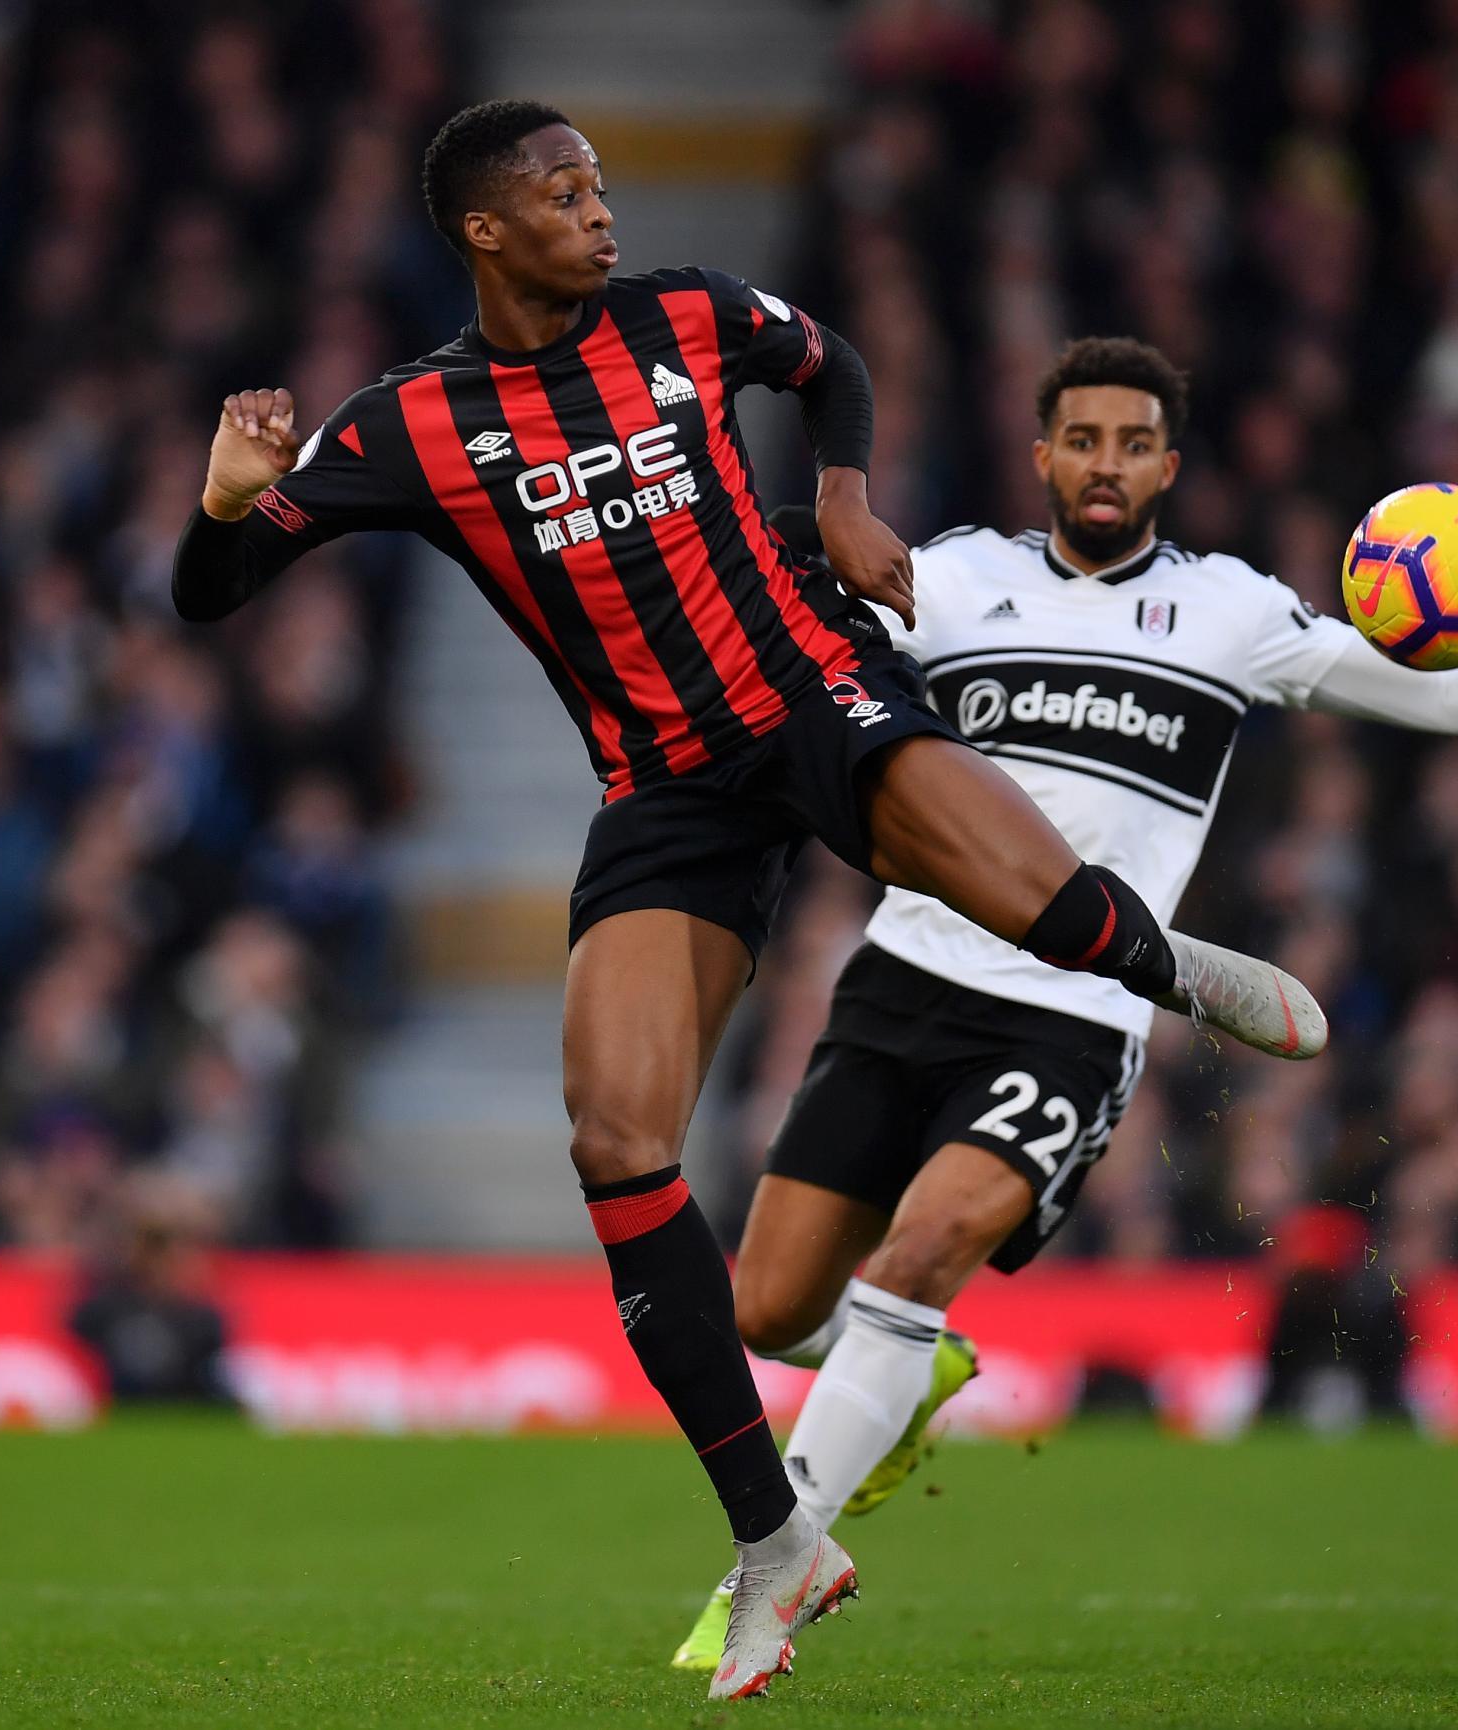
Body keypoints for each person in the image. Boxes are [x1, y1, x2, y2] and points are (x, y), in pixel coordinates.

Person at [170, 103, 1322, 1701]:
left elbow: (825, 356)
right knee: (613, 1144)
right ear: (485, 232)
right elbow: (210, 595)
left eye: (598, 183)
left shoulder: (684, 314)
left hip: (807, 692)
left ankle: (1163, 963)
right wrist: (228, 500)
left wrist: (841, 492)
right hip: (664, 790)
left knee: (1036, 908)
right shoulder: (408, 426)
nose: (598, 209)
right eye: (562, 193)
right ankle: (774, 1534)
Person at [669, 336, 1458, 1669]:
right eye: (1082, 439)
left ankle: (774, 1567)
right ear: (1041, 454)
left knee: (921, 1251)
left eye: (1132, 443)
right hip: (900, 979)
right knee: (770, 1307)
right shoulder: (948, 582)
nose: (1104, 464)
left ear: (1167, 465)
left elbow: (1453, 693)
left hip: (1071, 1012)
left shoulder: (1231, 613)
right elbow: (788, 642)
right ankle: (904, 1373)